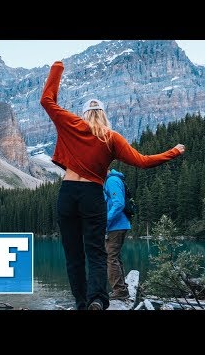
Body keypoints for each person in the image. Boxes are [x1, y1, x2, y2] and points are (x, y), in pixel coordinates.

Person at [40, 61, 185, 310]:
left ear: (84, 113)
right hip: (93, 195)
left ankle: (81, 303)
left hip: (68, 194)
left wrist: (57, 68)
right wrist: (173, 151)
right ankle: (98, 299)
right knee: (97, 252)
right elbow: (142, 161)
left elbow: (47, 100)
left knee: (74, 255)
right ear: (104, 114)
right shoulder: (112, 138)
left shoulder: (71, 123)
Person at [104, 168, 131, 300]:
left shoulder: (111, 180)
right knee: (115, 257)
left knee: (110, 257)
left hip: (116, 225)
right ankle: (122, 288)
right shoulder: (113, 179)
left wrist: (105, 221)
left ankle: (120, 291)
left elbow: (119, 203)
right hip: (118, 225)